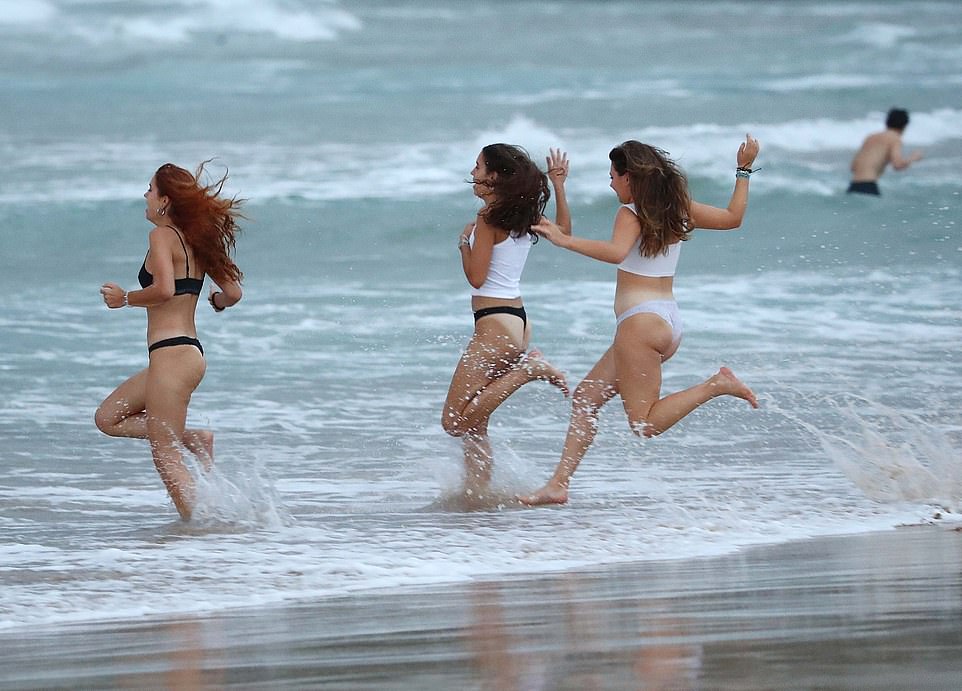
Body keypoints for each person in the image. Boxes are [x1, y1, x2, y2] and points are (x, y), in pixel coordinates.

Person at [521, 135, 761, 506]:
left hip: (640, 324)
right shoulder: (677, 207)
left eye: (614, 175)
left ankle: (715, 385)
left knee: (643, 424)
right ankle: (558, 484)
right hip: (662, 320)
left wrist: (564, 241)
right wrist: (743, 169)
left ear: (630, 177)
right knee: (586, 397)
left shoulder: (629, 213)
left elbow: (617, 252)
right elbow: (734, 218)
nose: (611, 182)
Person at [95, 161, 244, 520]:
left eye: (150, 189)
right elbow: (234, 292)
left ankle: (197, 533)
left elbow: (164, 289)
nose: (145, 196)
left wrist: (125, 299)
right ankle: (193, 438)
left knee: (165, 453)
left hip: (171, 356)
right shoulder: (196, 240)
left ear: (164, 201)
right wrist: (216, 302)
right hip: (185, 355)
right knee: (107, 418)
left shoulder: (161, 236)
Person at [441, 144, 570, 507]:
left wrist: (464, 246)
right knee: (475, 423)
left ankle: (532, 369)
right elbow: (563, 232)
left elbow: (477, 278)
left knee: (454, 421)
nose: (474, 170)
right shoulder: (522, 215)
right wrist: (559, 186)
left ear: (495, 176)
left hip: (495, 324)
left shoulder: (488, 218)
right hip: (515, 322)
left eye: (479, 166)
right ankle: (476, 494)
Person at [847, 108, 923, 195]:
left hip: (853, 186)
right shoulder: (895, 138)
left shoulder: (871, 137)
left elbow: (853, 167)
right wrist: (913, 158)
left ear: (887, 122)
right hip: (868, 186)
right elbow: (897, 165)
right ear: (905, 126)